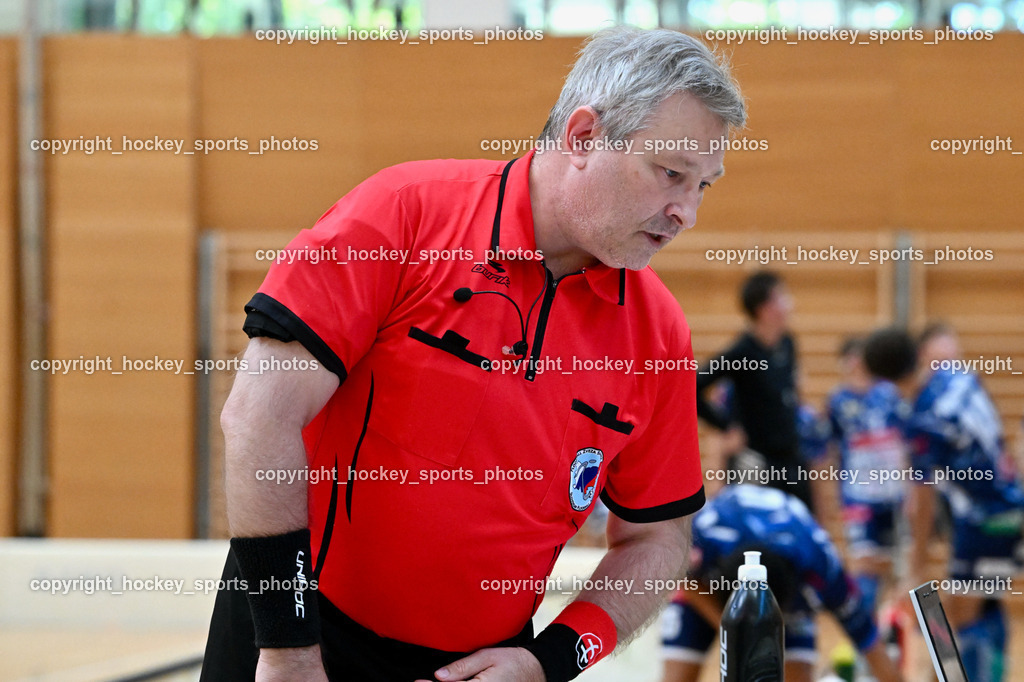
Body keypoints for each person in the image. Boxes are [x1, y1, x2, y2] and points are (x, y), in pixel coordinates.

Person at [200, 26, 747, 682]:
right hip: (294, 635)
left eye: (703, 186)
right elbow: (260, 418)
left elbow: (659, 540)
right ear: (582, 137)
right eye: (671, 174)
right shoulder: (402, 215)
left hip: (482, 667)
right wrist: (288, 648)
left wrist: (548, 661)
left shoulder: (658, 333)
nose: (686, 211)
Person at [863, 324, 1024, 682]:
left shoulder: (923, 417)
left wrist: (916, 568)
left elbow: (923, 499)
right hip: (1008, 509)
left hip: (987, 521)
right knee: (977, 608)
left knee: (948, 621)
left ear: (882, 380)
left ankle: (947, 678)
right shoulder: (957, 375)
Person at [659, 484, 903, 682]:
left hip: (788, 582)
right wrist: (735, 633)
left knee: (796, 675)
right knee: (678, 675)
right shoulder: (705, 534)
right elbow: (685, 580)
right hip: (706, 583)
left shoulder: (824, 570)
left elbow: (873, 647)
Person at [694, 271, 813, 508]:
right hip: (754, 463)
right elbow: (693, 386)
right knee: (757, 536)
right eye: (782, 296)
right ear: (763, 308)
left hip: (790, 458)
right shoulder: (742, 352)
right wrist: (725, 425)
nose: (790, 304)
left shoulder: (787, 343)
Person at [821, 335, 909, 616]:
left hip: (894, 494)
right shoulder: (838, 400)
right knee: (863, 563)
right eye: (850, 358)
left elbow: (908, 442)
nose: (856, 363)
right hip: (858, 496)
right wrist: (832, 498)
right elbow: (828, 452)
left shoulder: (889, 394)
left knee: (893, 568)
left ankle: (886, 633)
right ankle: (866, 639)